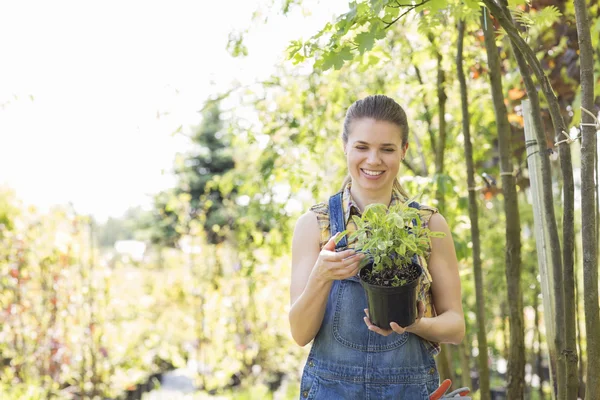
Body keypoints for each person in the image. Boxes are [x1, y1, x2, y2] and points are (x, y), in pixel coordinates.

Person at [289, 95, 465, 399]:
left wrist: (415, 324)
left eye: (387, 149)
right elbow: (300, 333)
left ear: (403, 151)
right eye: (361, 147)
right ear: (344, 146)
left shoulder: (427, 225)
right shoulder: (315, 225)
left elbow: (456, 325)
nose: (373, 160)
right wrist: (320, 276)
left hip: (408, 390)